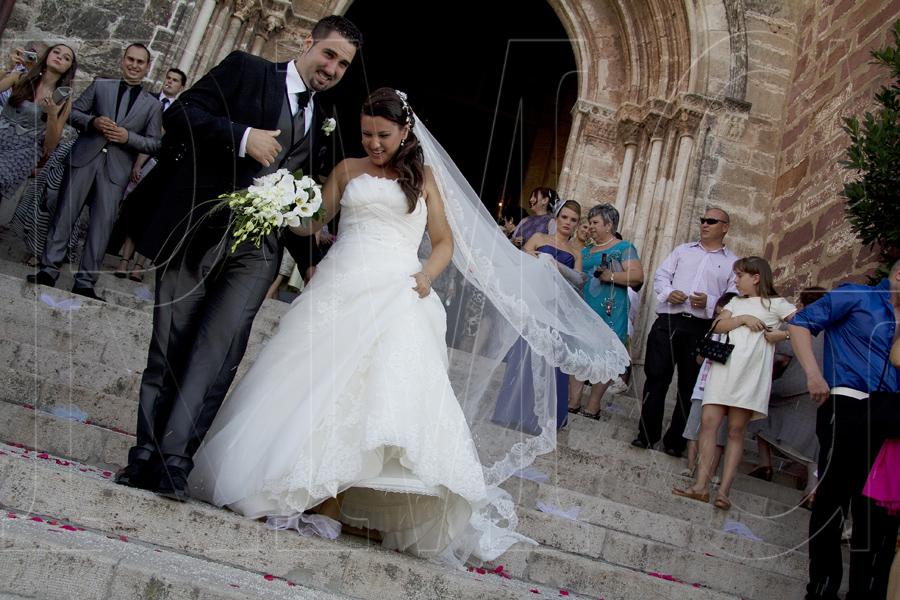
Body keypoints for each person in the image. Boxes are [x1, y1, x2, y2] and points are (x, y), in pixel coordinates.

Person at [188, 88, 628, 564]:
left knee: (372, 393)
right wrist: (282, 201)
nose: (374, 143)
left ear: (404, 132)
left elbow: (443, 242)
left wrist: (426, 277)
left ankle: (339, 500)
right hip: (341, 286)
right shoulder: (347, 170)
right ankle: (293, 483)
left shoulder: (425, 180)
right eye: (366, 134)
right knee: (319, 383)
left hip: (399, 290)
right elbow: (312, 225)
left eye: (383, 135)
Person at [112, 16, 361, 500]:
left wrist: (309, 260)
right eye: (329, 54)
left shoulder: (323, 122)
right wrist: (244, 136)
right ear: (308, 42)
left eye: (344, 64)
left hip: (259, 251)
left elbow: (298, 197)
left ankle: (175, 462)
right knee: (171, 344)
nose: (332, 68)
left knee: (219, 355)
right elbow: (180, 115)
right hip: (199, 229)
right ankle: (143, 456)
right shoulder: (247, 70)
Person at [789, 259, 900, 600]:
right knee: (834, 497)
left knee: (876, 510)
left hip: (890, 413)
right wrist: (812, 374)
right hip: (847, 401)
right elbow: (800, 323)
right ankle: (822, 586)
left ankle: (863, 592)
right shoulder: (857, 295)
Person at [27, 43, 162, 301]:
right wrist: (93, 121)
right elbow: (73, 112)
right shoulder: (101, 86)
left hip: (116, 171)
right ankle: (48, 269)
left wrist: (128, 137)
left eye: (140, 62)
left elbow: (155, 143)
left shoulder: (152, 105)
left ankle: (86, 282)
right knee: (65, 213)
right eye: (130, 59)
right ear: (123, 61)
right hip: (84, 159)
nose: (134, 65)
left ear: (147, 68)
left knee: (101, 226)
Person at [673, 256, 796, 510]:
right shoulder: (735, 302)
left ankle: (724, 491)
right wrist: (743, 319)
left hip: (750, 374)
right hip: (723, 369)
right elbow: (717, 325)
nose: (736, 281)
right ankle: (700, 486)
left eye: (740, 276)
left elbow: (803, 324)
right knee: (708, 424)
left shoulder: (776, 303)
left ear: (756, 277)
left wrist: (780, 335)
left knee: (735, 431)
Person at [632, 207, 738, 457]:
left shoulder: (732, 262)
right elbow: (661, 277)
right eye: (703, 220)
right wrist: (670, 293)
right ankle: (646, 435)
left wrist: (711, 303)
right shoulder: (682, 251)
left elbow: (734, 297)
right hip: (669, 320)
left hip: (701, 327)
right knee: (656, 377)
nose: (704, 224)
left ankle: (675, 441)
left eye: (711, 221)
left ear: (725, 227)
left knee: (689, 386)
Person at [493, 200, 584, 431]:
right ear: (557, 218)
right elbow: (521, 267)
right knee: (523, 356)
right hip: (534, 305)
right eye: (565, 217)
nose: (568, 223)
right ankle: (512, 412)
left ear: (577, 225)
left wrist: (558, 266)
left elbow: (579, 281)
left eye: (573, 220)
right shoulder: (538, 240)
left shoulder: (576, 252)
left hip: (557, 310)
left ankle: (543, 419)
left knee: (550, 361)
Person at [747, 286, 827, 506]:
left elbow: (780, 358)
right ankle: (812, 490)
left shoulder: (797, 323)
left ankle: (765, 464)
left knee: (759, 412)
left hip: (793, 385)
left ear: (802, 303)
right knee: (814, 439)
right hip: (823, 389)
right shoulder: (833, 326)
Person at [569, 204, 643, 418]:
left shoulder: (623, 247)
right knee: (579, 353)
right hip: (584, 308)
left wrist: (609, 276)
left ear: (609, 225)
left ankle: (593, 405)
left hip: (611, 308)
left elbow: (637, 276)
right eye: (589, 222)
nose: (590, 227)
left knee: (605, 356)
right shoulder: (585, 251)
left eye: (595, 223)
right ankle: (573, 401)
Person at [114, 67, 188, 282]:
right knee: (134, 210)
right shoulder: (150, 101)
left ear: (182, 87)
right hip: (144, 162)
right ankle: (124, 260)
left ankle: (139, 265)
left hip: (168, 169)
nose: (169, 82)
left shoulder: (181, 110)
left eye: (175, 80)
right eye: (168, 78)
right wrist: (138, 164)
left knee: (154, 217)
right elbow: (153, 138)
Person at [0, 44, 76, 200]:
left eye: (66, 58)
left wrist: (52, 115)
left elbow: (50, 146)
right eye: (56, 52)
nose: (60, 57)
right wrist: (9, 67)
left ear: (69, 68)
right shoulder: (20, 77)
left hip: (21, 152)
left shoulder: (64, 101)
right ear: (47, 56)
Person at [680, 292, 737, 479]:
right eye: (717, 315)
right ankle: (690, 467)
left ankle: (711, 472)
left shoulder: (740, 337)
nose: (718, 318)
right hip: (703, 387)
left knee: (719, 436)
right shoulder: (711, 332)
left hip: (724, 392)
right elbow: (699, 359)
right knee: (694, 429)